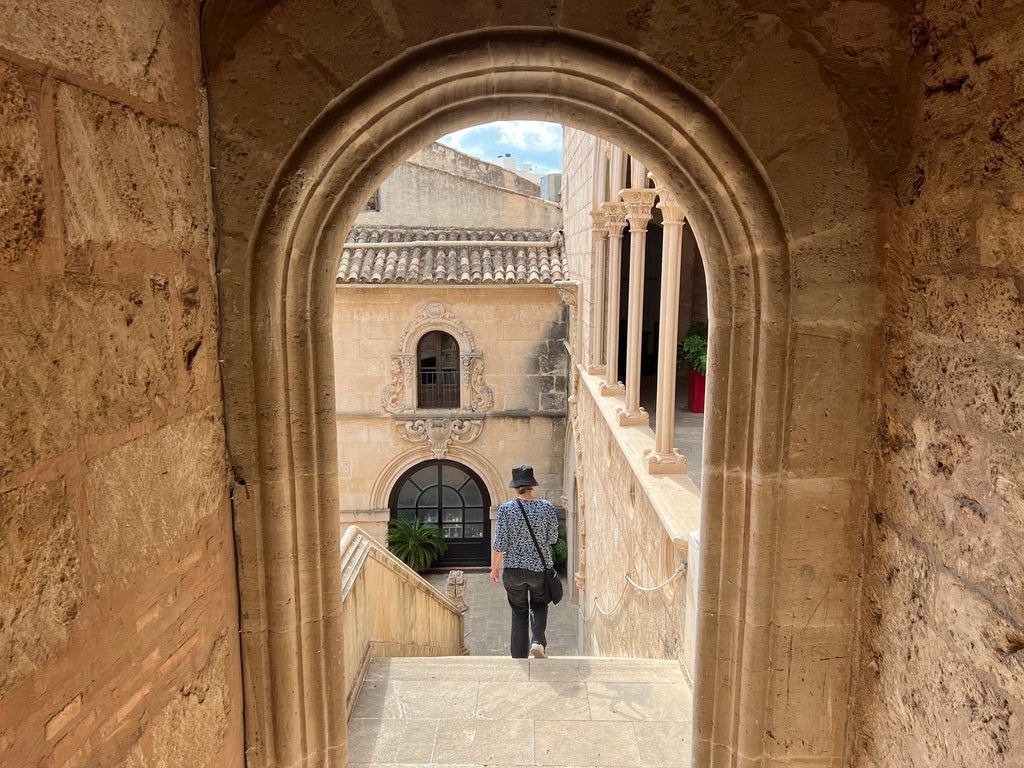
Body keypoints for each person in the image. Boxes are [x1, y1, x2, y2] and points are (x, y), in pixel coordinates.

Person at [490, 464, 560, 659]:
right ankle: (537, 642)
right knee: (539, 604)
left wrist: (494, 569)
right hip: (539, 569)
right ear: (531, 486)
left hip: (513, 571)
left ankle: (518, 656)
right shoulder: (546, 507)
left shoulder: (505, 509)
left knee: (518, 611)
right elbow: (553, 538)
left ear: (515, 487)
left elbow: (500, 544)